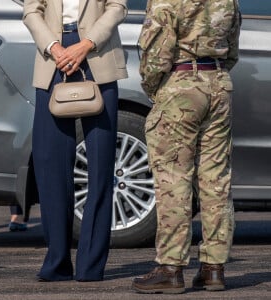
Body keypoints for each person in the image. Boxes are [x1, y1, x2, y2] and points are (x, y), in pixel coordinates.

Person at [132, 0, 241, 294]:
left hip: (180, 83)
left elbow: (155, 54)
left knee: (173, 178)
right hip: (218, 83)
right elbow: (232, 48)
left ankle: (171, 268)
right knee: (216, 179)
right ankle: (213, 268)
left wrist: (157, 88)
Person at [22, 0, 128, 282]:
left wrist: (86, 44)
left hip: (98, 54)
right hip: (51, 58)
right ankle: (57, 262)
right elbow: (31, 10)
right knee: (50, 166)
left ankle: (90, 266)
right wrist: (54, 47)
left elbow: (117, 7)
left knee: (101, 167)